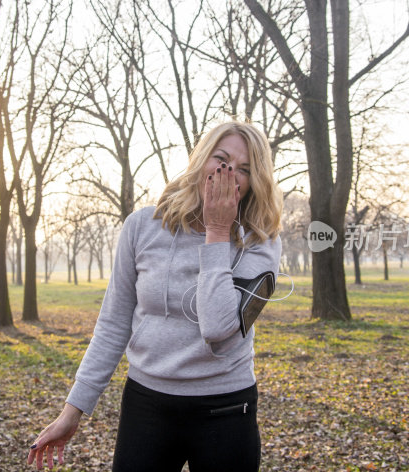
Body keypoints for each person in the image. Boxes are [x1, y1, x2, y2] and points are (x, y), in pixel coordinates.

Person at [26, 121, 283, 471]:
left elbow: (218, 328)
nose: (227, 173)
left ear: (254, 182)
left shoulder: (261, 240)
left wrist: (218, 231)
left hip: (226, 409)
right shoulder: (142, 226)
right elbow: (114, 323)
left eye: (243, 170)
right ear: (201, 159)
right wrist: (73, 410)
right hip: (148, 406)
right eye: (220, 159)